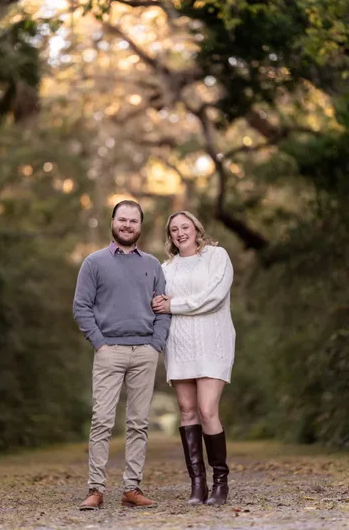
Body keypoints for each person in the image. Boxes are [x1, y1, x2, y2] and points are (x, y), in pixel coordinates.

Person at [73, 200, 171, 511]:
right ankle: (95, 489)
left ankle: (132, 488)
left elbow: (163, 309)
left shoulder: (153, 265)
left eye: (133, 221)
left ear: (140, 226)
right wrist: (100, 343)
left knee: (139, 423)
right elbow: (81, 307)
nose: (127, 225)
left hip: (145, 351)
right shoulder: (94, 263)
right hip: (109, 351)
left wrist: (156, 343)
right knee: (102, 420)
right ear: (113, 222)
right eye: (122, 220)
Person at [152, 211, 235, 507]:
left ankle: (220, 483)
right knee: (187, 411)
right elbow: (157, 302)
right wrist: (161, 304)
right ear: (170, 236)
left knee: (207, 409)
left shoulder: (216, 256)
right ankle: (197, 485)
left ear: (197, 229)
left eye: (185, 226)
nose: (180, 232)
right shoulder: (166, 268)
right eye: (174, 229)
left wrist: (174, 305)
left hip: (213, 342)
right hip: (179, 344)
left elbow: (214, 298)